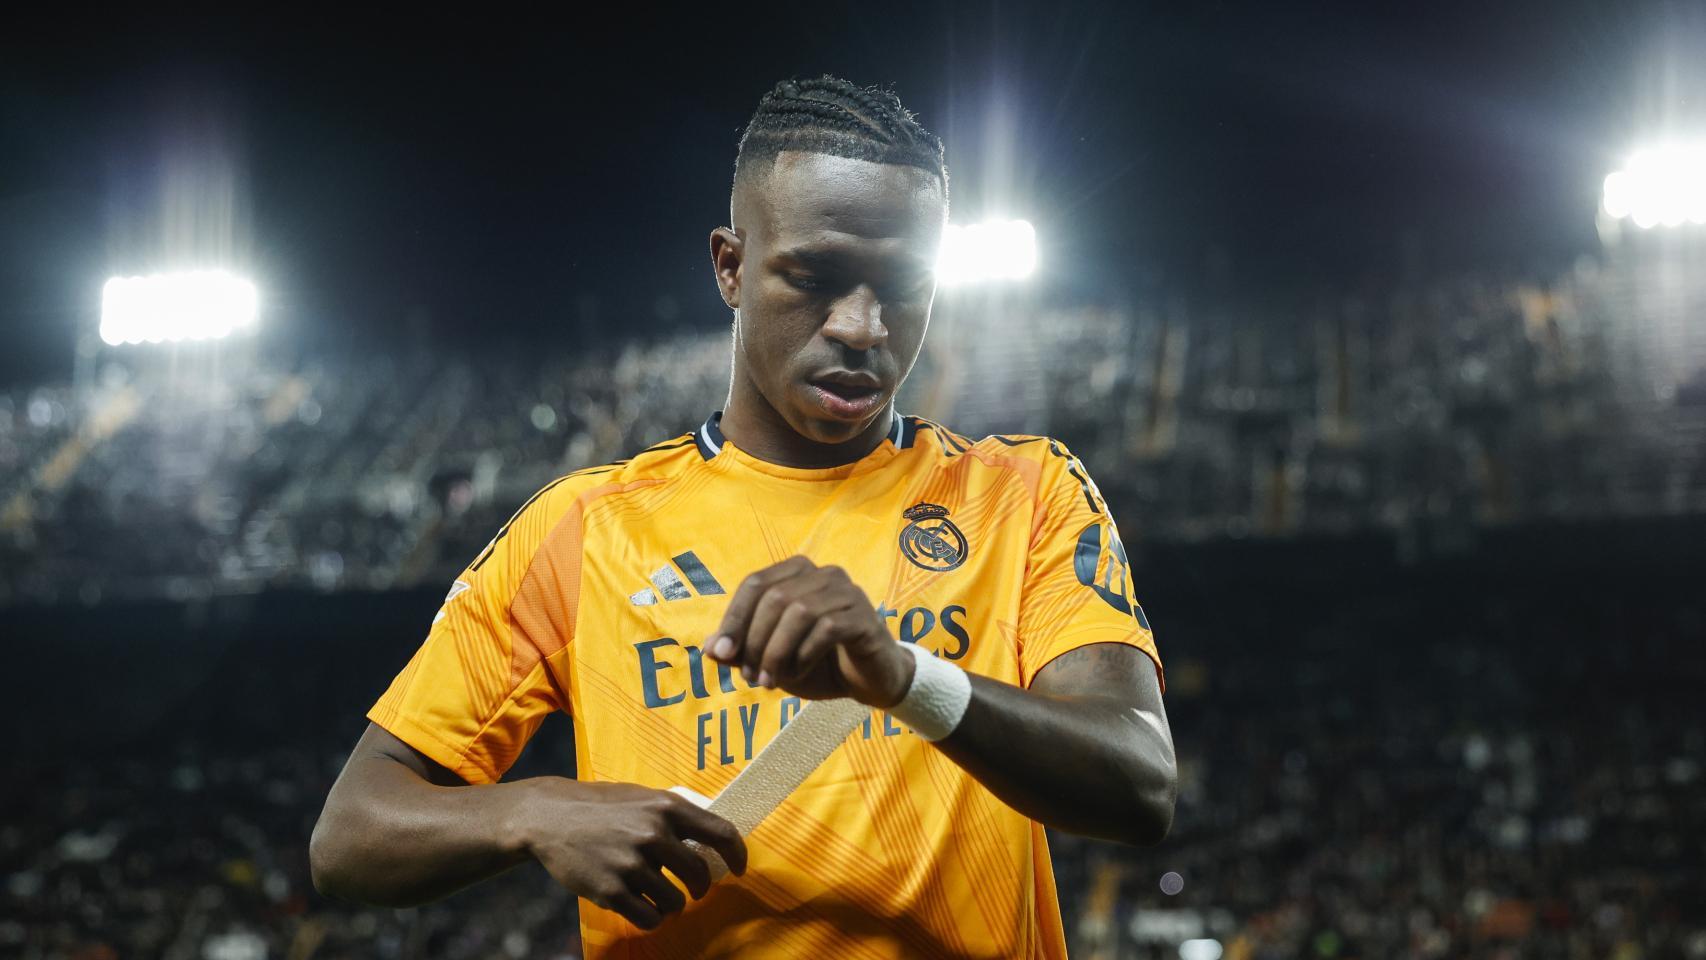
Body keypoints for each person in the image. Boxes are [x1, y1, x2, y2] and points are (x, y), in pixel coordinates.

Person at [310, 75, 1176, 959]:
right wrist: (533, 811)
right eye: (815, 276)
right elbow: (351, 837)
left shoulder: (1022, 494)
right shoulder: (584, 529)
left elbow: (1139, 782)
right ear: (730, 266)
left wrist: (902, 675)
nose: (862, 326)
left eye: (904, 287)